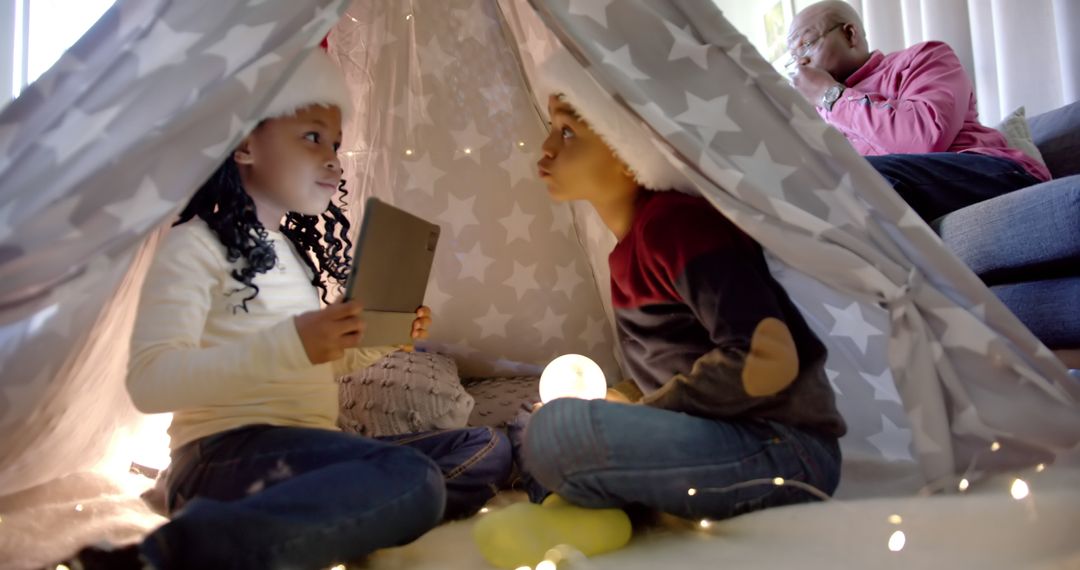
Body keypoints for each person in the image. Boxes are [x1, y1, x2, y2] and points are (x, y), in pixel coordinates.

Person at [61, 48, 511, 570]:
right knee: (413, 480)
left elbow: (313, 364)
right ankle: (161, 557)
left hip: (308, 451)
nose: (333, 158)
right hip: (223, 455)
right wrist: (294, 341)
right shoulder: (195, 247)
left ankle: (342, 515)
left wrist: (378, 334)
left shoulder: (291, 258)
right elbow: (151, 381)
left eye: (337, 144)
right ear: (247, 144)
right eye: (313, 136)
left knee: (485, 448)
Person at [474, 62, 846, 567]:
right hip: (718, 437)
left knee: (558, 434)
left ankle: (591, 508)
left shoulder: (675, 226)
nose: (546, 148)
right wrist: (622, 396)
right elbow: (676, 368)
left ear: (628, 154)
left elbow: (768, 357)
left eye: (567, 131)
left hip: (787, 450)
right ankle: (587, 514)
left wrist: (640, 412)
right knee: (532, 420)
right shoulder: (629, 249)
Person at [788, 0, 1050, 221]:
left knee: (859, 177)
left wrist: (831, 95)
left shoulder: (924, 58)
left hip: (995, 175)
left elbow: (923, 140)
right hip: (911, 196)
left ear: (850, 34)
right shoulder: (822, 116)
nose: (801, 62)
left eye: (806, 45)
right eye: (793, 56)